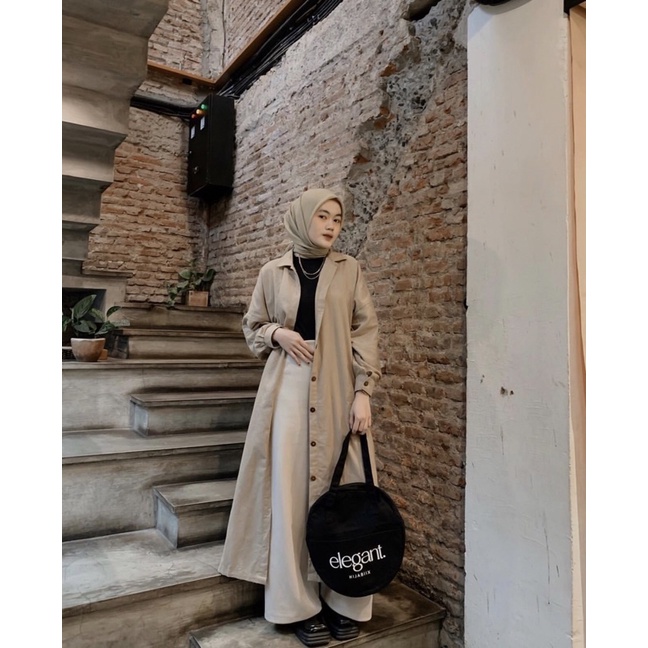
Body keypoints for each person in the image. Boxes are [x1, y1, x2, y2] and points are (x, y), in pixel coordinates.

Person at [218, 188, 382, 647]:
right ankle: (297, 606)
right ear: (302, 219)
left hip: (337, 389)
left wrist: (363, 392)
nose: (331, 225)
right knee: (289, 497)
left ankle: (345, 597)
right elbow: (252, 326)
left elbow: (366, 331)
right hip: (286, 391)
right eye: (322, 216)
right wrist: (278, 333)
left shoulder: (350, 270)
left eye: (337, 218)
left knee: (345, 493)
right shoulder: (273, 272)